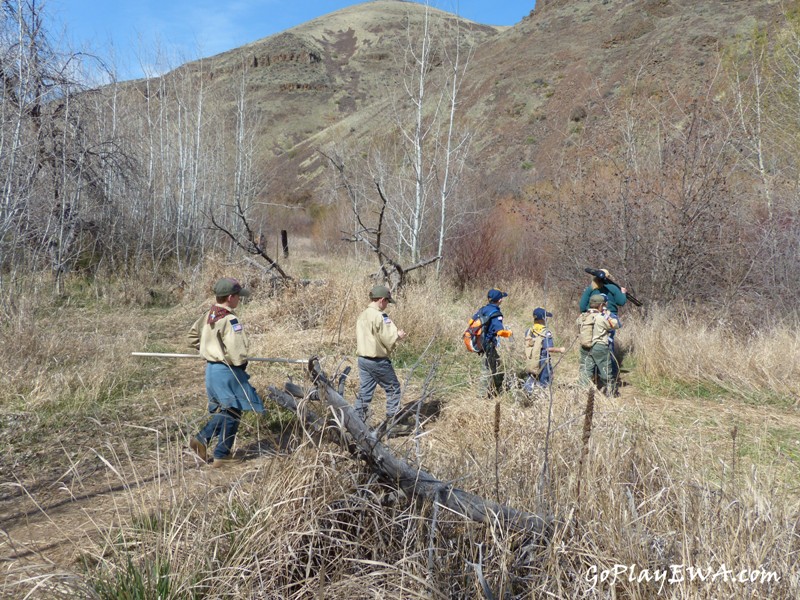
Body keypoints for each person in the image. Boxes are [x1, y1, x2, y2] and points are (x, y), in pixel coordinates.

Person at [187, 277, 265, 467]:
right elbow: (237, 353)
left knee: (229, 409)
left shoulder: (208, 315)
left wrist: (209, 350)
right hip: (227, 370)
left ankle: (206, 443)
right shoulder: (230, 320)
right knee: (233, 409)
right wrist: (237, 361)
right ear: (230, 297)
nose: (240, 299)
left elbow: (191, 337)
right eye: (238, 296)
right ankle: (218, 451)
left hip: (211, 371)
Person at [354, 285, 407, 423]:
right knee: (393, 388)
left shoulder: (362, 314)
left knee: (365, 393)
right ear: (382, 300)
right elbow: (389, 337)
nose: (387, 305)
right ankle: (393, 422)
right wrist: (399, 336)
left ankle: (356, 423)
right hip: (377, 361)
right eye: (388, 302)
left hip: (363, 360)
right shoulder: (380, 316)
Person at [579, 268, 627, 379]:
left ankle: (592, 373)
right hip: (609, 318)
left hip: (591, 317)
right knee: (607, 345)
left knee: (591, 344)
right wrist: (623, 293)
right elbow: (621, 302)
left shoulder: (591, 289)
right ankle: (611, 375)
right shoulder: (613, 288)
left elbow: (582, 307)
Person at [576, 293, 620, 396]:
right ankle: (611, 393)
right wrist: (607, 314)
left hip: (585, 346)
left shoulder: (582, 316)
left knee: (585, 371)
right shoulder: (601, 317)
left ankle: (581, 393)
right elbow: (616, 325)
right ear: (601, 305)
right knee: (606, 371)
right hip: (599, 346)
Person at [472, 288, 513, 397]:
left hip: (480, 343)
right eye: (502, 298)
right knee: (487, 370)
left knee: (495, 363)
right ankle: (481, 395)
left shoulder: (483, 309)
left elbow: (471, 321)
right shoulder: (496, 314)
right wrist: (509, 333)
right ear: (499, 300)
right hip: (489, 345)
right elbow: (499, 331)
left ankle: (493, 386)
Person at [523, 307, 565, 393]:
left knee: (531, 377)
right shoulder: (546, 332)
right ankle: (543, 398)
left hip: (531, 359)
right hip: (543, 360)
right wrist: (560, 349)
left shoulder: (528, 331)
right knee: (545, 381)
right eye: (546, 318)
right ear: (543, 319)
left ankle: (528, 395)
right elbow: (549, 348)